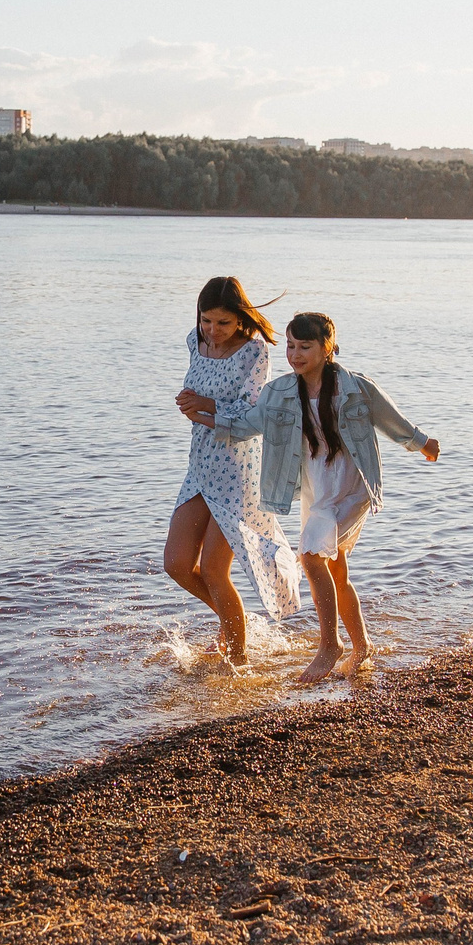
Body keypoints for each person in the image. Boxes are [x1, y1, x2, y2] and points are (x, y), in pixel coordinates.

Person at [198, 311, 439, 683]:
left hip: (350, 483)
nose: (295, 354)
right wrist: (207, 416)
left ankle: (330, 645)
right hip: (316, 485)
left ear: (328, 349)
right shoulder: (279, 391)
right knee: (335, 569)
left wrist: (422, 443)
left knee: (311, 558)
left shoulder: (356, 388)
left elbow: (392, 420)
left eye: (305, 347)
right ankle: (362, 647)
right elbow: (248, 424)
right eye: (291, 346)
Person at [163, 276, 302, 665]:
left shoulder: (253, 352)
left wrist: (203, 405)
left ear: (241, 319)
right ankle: (234, 621)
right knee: (175, 563)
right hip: (201, 464)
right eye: (207, 320)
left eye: (222, 323)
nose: (213, 330)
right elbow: (201, 394)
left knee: (212, 570)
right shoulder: (196, 341)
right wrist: (191, 403)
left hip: (238, 468)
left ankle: (237, 661)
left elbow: (255, 415)